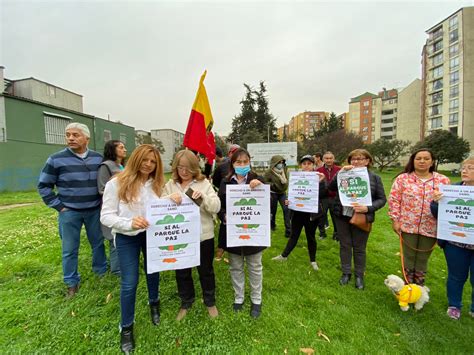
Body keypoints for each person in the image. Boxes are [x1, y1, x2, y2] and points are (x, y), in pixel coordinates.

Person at [100, 144, 164, 353]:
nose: (148, 164)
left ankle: (154, 303)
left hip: (151, 235)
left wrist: (169, 200)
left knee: (153, 271)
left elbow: (158, 208)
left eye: (153, 161)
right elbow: (106, 216)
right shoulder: (116, 183)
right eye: (145, 159)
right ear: (136, 158)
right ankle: (126, 328)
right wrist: (129, 223)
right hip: (127, 237)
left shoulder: (156, 183)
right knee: (130, 282)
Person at [38, 122, 107, 297]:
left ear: (87, 138)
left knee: (98, 244)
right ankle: (71, 283)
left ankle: (101, 274)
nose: (70, 138)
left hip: (94, 210)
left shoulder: (98, 159)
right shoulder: (55, 159)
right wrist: (59, 207)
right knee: (69, 249)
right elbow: (44, 186)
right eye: (68, 135)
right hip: (69, 212)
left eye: (75, 135)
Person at [162, 150, 221, 321]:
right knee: (182, 271)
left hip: (203, 236)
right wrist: (168, 198)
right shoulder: (170, 184)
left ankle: (209, 301)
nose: (184, 172)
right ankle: (186, 301)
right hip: (180, 237)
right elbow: (158, 204)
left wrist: (203, 198)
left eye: (188, 168)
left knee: (206, 270)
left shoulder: (204, 183)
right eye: (180, 167)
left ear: (195, 168)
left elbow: (216, 206)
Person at [389, 148, 450, 286]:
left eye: (426, 158)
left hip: (431, 226)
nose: (422, 161)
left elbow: (449, 204)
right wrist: (395, 220)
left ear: (432, 161)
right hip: (407, 225)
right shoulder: (403, 179)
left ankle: (419, 286)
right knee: (409, 256)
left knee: (423, 257)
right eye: (418, 158)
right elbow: (394, 200)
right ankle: (408, 286)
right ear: (413, 161)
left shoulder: (442, 180)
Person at [328, 149, 386, 289]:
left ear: (367, 161)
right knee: (345, 245)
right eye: (353, 159)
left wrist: (368, 208)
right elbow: (331, 187)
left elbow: (382, 199)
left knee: (359, 248)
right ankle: (346, 272)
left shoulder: (374, 178)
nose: (356, 161)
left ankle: (359, 275)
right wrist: (340, 173)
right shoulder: (343, 174)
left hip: (362, 217)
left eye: (360, 159)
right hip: (342, 215)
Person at [217, 148, 265, 318]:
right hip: (233, 233)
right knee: (235, 266)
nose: (242, 165)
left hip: (254, 233)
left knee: (255, 266)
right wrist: (223, 216)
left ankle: (256, 299)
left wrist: (260, 188)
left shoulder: (258, 179)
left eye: (245, 162)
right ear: (233, 164)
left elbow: (270, 203)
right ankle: (239, 297)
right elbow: (219, 205)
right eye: (239, 162)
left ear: (250, 162)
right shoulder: (225, 182)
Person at [430, 157, 474, 320]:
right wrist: (435, 202)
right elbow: (436, 213)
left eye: (470, 168)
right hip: (456, 243)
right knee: (456, 276)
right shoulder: (451, 190)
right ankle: (454, 305)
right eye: (463, 168)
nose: (464, 171)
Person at [272, 155, 326, 270]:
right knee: (294, 235)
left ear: (313, 165)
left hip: (312, 214)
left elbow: (323, 195)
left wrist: (320, 182)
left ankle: (313, 261)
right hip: (298, 213)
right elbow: (292, 196)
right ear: (301, 165)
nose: (306, 166)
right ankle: (284, 256)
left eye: (309, 164)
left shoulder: (319, 178)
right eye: (304, 164)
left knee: (310, 237)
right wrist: (288, 202)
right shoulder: (296, 178)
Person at [97, 140, 127, 275]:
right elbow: (102, 188)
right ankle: (117, 270)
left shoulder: (122, 166)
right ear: (112, 150)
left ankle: (125, 265)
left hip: (125, 208)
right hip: (113, 207)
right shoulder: (106, 166)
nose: (124, 150)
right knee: (114, 238)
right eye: (121, 147)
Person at [263, 155, 291, 238]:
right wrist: (273, 185)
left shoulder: (284, 170)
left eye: (282, 162)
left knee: (286, 209)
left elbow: (286, 180)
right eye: (279, 162)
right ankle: (272, 225)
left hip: (282, 193)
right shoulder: (269, 172)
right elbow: (264, 182)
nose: (281, 164)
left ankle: (288, 230)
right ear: (275, 163)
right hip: (273, 193)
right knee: (273, 211)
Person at [317, 151, 341, 241]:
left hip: (335, 197)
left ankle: (336, 234)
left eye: (330, 158)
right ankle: (322, 233)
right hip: (323, 197)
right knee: (321, 216)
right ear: (323, 159)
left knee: (336, 216)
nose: (329, 160)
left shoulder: (339, 170)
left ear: (333, 159)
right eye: (326, 158)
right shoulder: (318, 171)